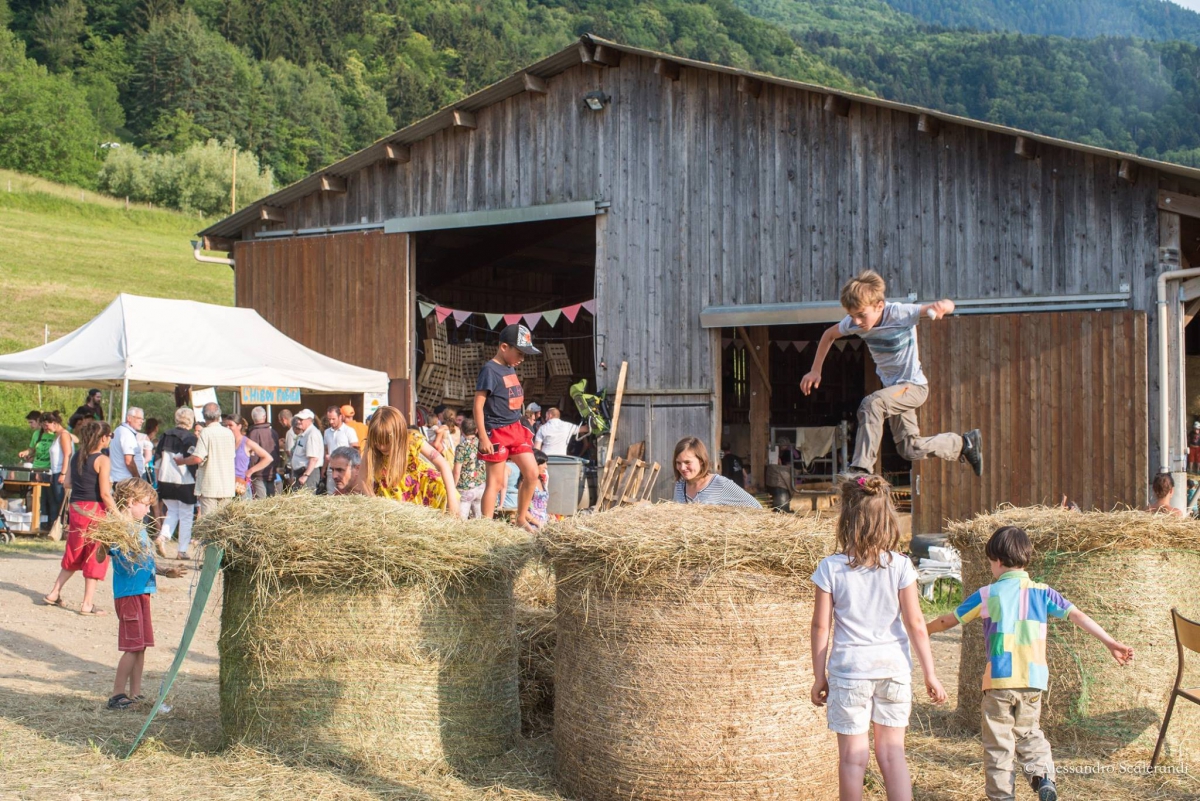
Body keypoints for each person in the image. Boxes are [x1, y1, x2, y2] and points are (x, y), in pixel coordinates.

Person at [926, 526, 1133, 801]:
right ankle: (1043, 777)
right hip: (1033, 681)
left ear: (997, 560)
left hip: (999, 681)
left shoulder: (988, 594)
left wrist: (923, 630)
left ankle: (1003, 797)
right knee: (1029, 734)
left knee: (999, 746)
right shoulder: (1043, 592)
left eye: (990, 562)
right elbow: (1078, 616)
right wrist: (1110, 642)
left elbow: (947, 620)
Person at [810, 474, 946, 801]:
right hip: (893, 670)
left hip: (850, 672)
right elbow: (915, 623)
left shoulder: (831, 568)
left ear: (846, 518)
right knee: (892, 755)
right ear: (887, 518)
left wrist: (818, 676)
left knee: (852, 758)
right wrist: (930, 673)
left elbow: (820, 627)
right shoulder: (900, 566)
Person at [801, 270, 982, 478]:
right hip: (895, 391)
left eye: (861, 315)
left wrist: (943, 306)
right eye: (852, 316)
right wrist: (815, 370)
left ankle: (861, 469)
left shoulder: (899, 313)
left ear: (879, 305)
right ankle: (964, 443)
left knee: (872, 404)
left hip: (913, 387)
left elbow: (943, 306)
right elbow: (828, 335)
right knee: (909, 448)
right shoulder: (853, 323)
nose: (857, 322)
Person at [103, 478, 185, 710]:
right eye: (146, 504)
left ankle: (136, 694)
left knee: (141, 645)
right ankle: (117, 695)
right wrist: (103, 542)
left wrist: (165, 571)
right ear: (130, 502)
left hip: (143, 592)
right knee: (132, 646)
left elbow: (146, 561)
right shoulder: (119, 530)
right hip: (129, 595)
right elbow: (103, 554)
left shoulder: (138, 529)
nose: (149, 510)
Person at [42, 420, 115, 615]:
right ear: (103, 438)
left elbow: (67, 483)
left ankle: (54, 593)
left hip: (76, 509)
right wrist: (118, 516)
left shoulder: (77, 456)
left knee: (74, 552)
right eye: (110, 436)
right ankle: (87, 604)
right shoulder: (102, 460)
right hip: (95, 510)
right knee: (95, 554)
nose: (110, 439)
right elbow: (105, 493)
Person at [475, 324, 542, 530]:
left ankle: (521, 518)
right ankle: (486, 528)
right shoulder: (489, 370)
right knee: (495, 483)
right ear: (504, 347)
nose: (522, 358)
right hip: (496, 431)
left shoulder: (510, 367)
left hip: (515, 428)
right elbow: (478, 406)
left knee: (532, 473)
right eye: (519, 353)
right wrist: (483, 437)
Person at [361, 405, 460, 513]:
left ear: (398, 435)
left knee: (445, 493)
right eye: (378, 442)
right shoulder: (370, 445)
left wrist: (451, 499)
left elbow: (443, 464)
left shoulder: (412, 439)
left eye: (387, 442)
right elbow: (362, 478)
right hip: (391, 495)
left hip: (420, 488)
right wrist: (374, 505)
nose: (381, 447)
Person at [177, 402, 235, 517]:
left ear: (204, 416)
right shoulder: (229, 433)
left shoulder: (206, 432)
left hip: (210, 485)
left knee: (209, 521)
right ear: (219, 415)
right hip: (227, 485)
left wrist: (182, 461)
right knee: (225, 521)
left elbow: (198, 458)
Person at [155, 408, 198, 560]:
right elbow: (193, 461)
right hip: (185, 481)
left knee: (172, 511)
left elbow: (157, 459)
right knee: (186, 515)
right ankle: (182, 550)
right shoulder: (191, 438)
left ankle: (163, 537)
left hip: (165, 479)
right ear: (190, 421)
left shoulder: (165, 435)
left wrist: (158, 480)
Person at [671, 436, 761, 508]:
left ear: (701, 460)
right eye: (678, 463)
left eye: (687, 462)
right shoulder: (680, 485)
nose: (682, 468)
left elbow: (756, 506)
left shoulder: (720, 484)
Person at [222, 415, 272, 499]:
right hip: (226, 485)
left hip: (241, 485)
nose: (227, 428)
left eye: (230, 425)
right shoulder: (225, 442)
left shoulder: (247, 442)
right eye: (226, 425)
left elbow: (268, 458)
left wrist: (250, 471)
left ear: (239, 426)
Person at [43, 412, 72, 529]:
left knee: (61, 502)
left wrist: (63, 473)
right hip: (55, 472)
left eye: (47, 425)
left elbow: (67, 454)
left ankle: (64, 527)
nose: (46, 428)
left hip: (61, 472)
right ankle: (56, 527)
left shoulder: (64, 435)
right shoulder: (57, 435)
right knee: (54, 501)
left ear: (54, 423)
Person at [453, 418, 487, 519]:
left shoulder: (461, 447)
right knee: (479, 518)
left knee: (462, 519)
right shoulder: (482, 444)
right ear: (476, 430)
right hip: (481, 485)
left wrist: (453, 487)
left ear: (462, 431)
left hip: (465, 487)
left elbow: (457, 471)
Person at [247, 407, 280, 499]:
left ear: (252, 418)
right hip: (271, 472)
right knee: (271, 500)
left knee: (261, 501)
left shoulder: (253, 433)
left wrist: (251, 469)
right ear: (264, 417)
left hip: (258, 473)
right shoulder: (273, 432)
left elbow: (252, 456)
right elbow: (277, 452)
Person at [108, 407, 146, 484]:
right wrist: (137, 479)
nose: (141, 421)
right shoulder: (126, 433)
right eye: (139, 418)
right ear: (129, 418)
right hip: (126, 481)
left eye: (142, 419)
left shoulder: (120, 430)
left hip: (120, 478)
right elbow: (129, 461)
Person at [289, 409, 324, 491]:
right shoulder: (305, 433)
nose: (298, 421)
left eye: (301, 419)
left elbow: (314, 458)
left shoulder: (312, 434)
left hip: (308, 474)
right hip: (301, 473)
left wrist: (305, 475)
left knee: (306, 497)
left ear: (309, 420)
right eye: (298, 419)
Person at [323, 406, 359, 478]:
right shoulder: (327, 432)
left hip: (345, 469)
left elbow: (355, 451)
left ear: (340, 417)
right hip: (331, 469)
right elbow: (326, 451)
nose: (331, 422)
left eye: (333, 419)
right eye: (329, 419)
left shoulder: (349, 431)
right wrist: (324, 468)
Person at [527, 449, 550, 528]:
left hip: (544, 525)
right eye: (543, 463)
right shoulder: (527, 482)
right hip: (532, 526)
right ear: (535, 464)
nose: (546, 466)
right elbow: (523, 511)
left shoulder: (541, 480)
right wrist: (538, 523)